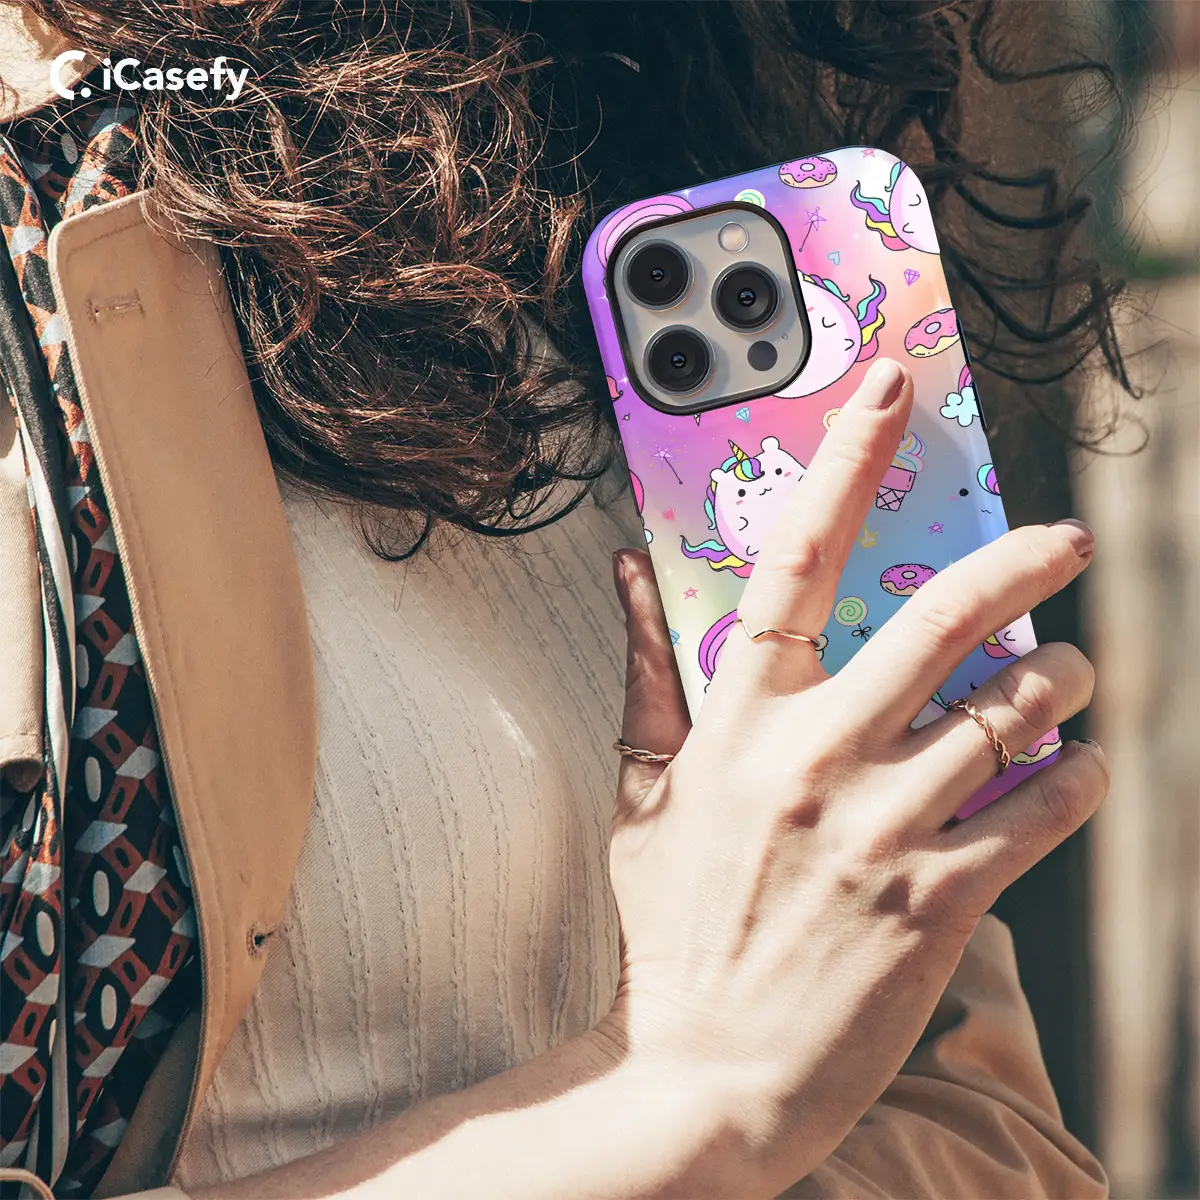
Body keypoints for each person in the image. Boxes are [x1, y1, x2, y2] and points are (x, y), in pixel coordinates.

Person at [0, 2, 1126, 1196]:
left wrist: (740, 1091)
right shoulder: (47, 246)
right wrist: (687, 1087)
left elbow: (991, 1138)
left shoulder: (607, 166)